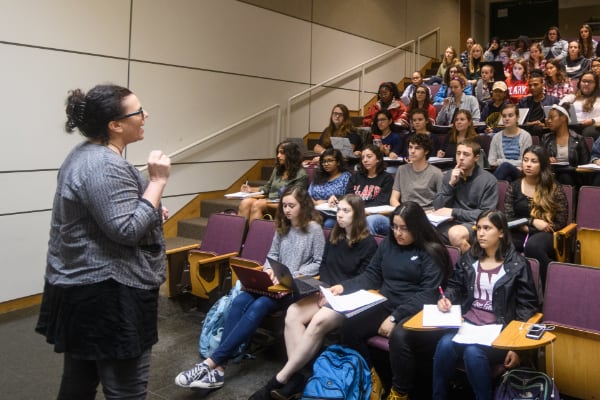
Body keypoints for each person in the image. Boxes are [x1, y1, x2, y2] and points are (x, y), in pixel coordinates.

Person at [35, 84, 171, 399]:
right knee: (126, 390)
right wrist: (157, 182)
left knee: (79, 383)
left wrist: (147, 208)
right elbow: (126, 230)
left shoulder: (86, 154)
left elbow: (111, 214)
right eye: (138, 111)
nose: (145, 114)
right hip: (109, 295)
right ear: (115, 125)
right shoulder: (103, 165)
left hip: (86, 289)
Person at [175, 186, 325, 390]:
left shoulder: (314, 228)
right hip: (274, 283)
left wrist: (290, 272)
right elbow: (271, 257)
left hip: (295, 287)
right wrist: (269, 271)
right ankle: (219, 370)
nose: (287, 210)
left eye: (292, 206)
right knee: (239, 302)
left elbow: (317, 263)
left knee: (260, 305)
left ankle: (211, 363)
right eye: (285, 206)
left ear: (303, 206)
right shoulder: (282, 226)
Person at [248, 194, 377, 400]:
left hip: (348, 300)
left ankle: (281, 378)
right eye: (339, 210)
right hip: (326, 292)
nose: (340, 215)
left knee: (317, 322)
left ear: (358, 214)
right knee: (292, 312)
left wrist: (338, 289)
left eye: (346, 211)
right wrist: (323, 289)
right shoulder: (335, 237)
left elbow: (367, 278)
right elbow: (324, 266)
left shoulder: (368, 244)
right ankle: (298, 376)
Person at [333, 202, 452, 400]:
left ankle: (399, 392)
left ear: (417, 227)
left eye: (404, 228)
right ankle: (372, 378)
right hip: (387, 301)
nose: (398, 233)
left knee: (399, 336)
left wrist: (395, 316)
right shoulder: (389, 244)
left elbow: (429, 294)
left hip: (417, 308)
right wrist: (344, 287)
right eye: (395, 227)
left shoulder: (432, 250)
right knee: (348, 326)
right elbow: (372, 275)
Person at [432, 210, 539, 400]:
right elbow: (455, 286)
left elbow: (527, 307)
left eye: (487, 228)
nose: (480, 233)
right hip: (468, 325)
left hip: (498, 330)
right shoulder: (469, 258)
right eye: (478, 228)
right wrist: (447, 298)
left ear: (501, 232)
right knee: (444, 345)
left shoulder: (517, 264)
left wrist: (517, 347)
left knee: (473, 353)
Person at [504, 145, 568, 286]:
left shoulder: (553, 187)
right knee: (501, 244)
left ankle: (551, 288)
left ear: (543, 164)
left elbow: (561, 221)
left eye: (534, 161)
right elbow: (508, 219)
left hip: (547, 233)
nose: (528, 164)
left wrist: (535, 228)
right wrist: (531, 222)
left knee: (533, 246)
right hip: (520, 231)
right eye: (525, 160)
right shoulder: (514, 186)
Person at [432, 139, 498, 253]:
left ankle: (473, 266)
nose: (461, 158)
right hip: (450, 221)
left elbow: (487, 214)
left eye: (466, 154)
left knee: (455, 234)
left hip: (474, 224)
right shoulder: (450, 175)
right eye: (458, 153)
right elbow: (438, 206)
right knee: (419, 228)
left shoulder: (488, 180)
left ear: (476, 158)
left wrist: (454, 212)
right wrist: (451, 184)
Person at [238, 140, 308, 223]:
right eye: (278, 153)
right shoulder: (278, 169)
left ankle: (255, 234)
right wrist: (251, 189)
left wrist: (267, 202)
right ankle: (240, 234)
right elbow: (267, 187)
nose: (278, 156)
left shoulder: (301, 174)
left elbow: (296, 198)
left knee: (257, 205)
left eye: (282, 153)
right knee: (245, 202)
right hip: (270, 200)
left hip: (285, 203)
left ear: (291, 155)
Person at [346, 145, 394, 235]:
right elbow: (348, 196)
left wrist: (359, 209)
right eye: (363, 157)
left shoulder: (386, 178)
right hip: (357, 212)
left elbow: (382, 201)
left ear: (378, 159)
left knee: (368, 221)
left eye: (369, 156)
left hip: (376, 215)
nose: (365, 160)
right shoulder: (356, 176)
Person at [390, 133, 442, 211]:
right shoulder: (401, 170)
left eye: (417, 148)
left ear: (426, 151)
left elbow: (442, 202)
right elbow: (393, 199)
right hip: (405, 211)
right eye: (410, 147)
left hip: (427, 213)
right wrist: (402, 210)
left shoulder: (436, 173)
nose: (412, 151)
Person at [541, 104, 590, 186]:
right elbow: (538, 158)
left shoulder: (578, 139)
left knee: (565, 176)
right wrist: (547, 159)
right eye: (548, 118)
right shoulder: (546, 138)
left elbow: (585, 165)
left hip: (573, 177)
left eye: (552, 117)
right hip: (551, 175)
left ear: (563, 118)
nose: (548, 121)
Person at [308, 148, 352, 228]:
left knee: (328, 224)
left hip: (334, 213)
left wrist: (325, 202)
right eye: (324, 161)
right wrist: (316, 203)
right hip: (315, 210)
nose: (326, 164)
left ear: (338, 162)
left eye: (330, 161)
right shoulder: (319, 176)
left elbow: (348, 197)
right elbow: (308, 195)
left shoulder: (346, 176)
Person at [489, 104, 533, 181]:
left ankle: (488, 189)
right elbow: (491, 162)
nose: (507, 119)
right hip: (503, 173)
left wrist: (501, 161)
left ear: (517, 118)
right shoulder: (496, 137)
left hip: (520, 173)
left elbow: (525, 162)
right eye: (504, 116)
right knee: (507, 178)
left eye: (510, 115)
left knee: (505, 166)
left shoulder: (526, 136)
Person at [518, 69, 559, 137]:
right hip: (526, 132)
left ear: (542, 85)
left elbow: (558, 122)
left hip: (547, 133)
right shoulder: (523, 102)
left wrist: (546, 125)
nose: (532, 88)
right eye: (530, 85)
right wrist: (531, 123)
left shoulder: (553, 101)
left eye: (535, 85)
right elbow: (518, 122)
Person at [560, 71, 600, 140]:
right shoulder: (572, 97)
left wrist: (593, 120)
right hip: (573, 125)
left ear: (596, 84)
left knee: (589, 132)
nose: (586, 84)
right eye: (584, 81)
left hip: (593, 126)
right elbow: (558, 110)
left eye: (590, 82)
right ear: (579, 83)